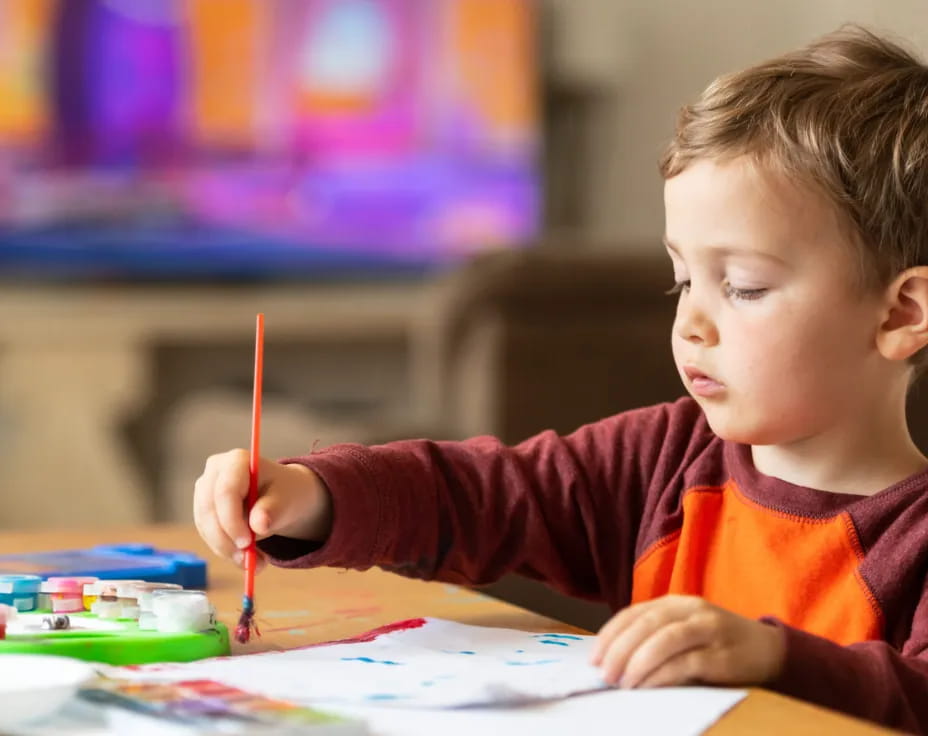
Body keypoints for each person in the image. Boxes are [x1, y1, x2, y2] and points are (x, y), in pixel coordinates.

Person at [194, 26, 928, 732]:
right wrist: (313, 495)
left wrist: (770, 658)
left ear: (901, 313)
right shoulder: (664, 460)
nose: (692, 324)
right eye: (683, 282)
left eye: (743, 285)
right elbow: (477, 495)